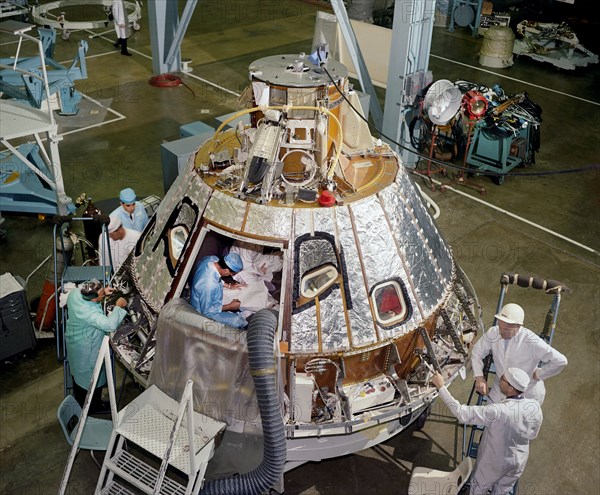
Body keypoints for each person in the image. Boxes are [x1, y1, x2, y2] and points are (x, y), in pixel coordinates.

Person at [432, 368, 542, 495]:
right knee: (503, 490)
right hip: (519, 462)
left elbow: (461, 413)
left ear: (511, 388)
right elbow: (533, 434)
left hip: (495, 463)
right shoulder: (534, 406)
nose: (500, 379)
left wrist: (441, 387)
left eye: (503, 379)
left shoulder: (498, 411)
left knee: (477, 489)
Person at [472, 303, 567, 405]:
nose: (500, 332)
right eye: (500, 326)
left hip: (526, 396)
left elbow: (561, 361)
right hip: (500, 391)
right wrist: (479, 377)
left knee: (516, 419)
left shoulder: (531, 341)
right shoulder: (493, 332)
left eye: (506, 329)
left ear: (518, 326)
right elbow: (477, 352)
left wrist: (539, 374)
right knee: (491, 417)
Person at [65, 279, 127, 412]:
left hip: (75, 343)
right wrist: (118, 306)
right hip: (87, 350)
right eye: (100, 294)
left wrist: (102, 291)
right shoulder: (90, 314)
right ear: (93, 299)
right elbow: (110, 325)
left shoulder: (75, 294)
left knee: (79, 377)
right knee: (91, 379)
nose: (103, 294)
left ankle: (84, 402)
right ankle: (91, 407)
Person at [190, 252, 247, 329]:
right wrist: (229, 307)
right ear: (226, 270)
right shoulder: (209, 284)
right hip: (203, 310)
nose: (231, 275)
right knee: (238, 321)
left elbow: (216, 278)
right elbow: (207, 311)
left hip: (208, 294)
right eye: (231, 274)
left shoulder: (212, 259)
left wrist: (229, 286)